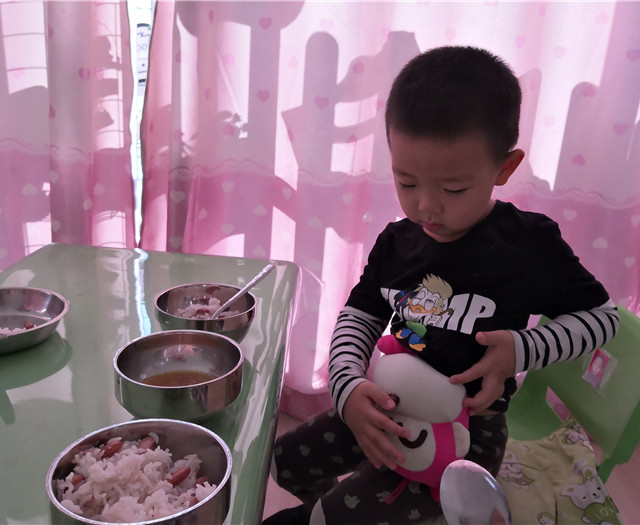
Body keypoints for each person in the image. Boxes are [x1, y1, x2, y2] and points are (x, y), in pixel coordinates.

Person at [264, 45, 619, 525]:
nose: (426, 207)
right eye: (407, 182)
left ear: (504, 168)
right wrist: (347, 386)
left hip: (466, 434)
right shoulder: (398, 241)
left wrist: (521, 349)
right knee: (284, 462)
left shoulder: (527, 244)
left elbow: (601, 319)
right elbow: (360, 315)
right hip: (390, 403)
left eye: (453, 189)